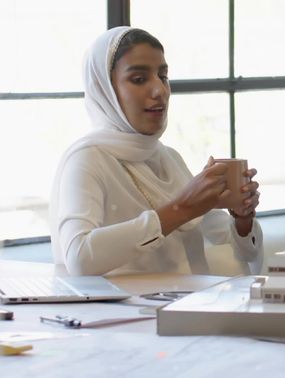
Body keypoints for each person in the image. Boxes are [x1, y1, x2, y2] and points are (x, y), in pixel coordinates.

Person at [50, 26, 262, 276]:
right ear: (104, 89)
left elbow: (244, 252)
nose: (159, 90)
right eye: (139, 79)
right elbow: (79, 257)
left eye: (163, 76)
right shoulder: (88, 159)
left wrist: (242, 218)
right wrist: (181, 208)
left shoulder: (168, 158)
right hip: (123, 313)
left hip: (185, 308)